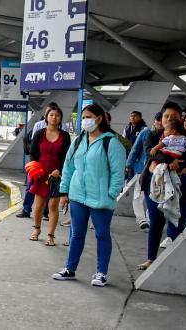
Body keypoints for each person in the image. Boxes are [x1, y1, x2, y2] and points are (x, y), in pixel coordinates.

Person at [52, 104, 126, 287]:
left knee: (102, 234)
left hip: (101, 198)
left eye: (88, 117)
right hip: (77, 196)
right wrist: (64, 191)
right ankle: (70, 269)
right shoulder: (78, 141)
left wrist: (111, 194)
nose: (84, 120)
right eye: (83, 117)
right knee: (76, 233)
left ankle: (101, 273)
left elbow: (118, 173)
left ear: (99, 119)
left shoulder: (112, 143)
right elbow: (68, 167)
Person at [137, 102, 186, 270]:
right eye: (166, 116)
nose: (170, 119)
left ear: (180, 119)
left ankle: (175, 261)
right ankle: (150, 259)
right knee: (156, 221)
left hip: (182, 186)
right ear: (161, 119)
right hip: (156, 185)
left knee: (177, 220)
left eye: (174, 117)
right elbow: (151, 152)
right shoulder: (153, 136)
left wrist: (176, 161)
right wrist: (173, 162)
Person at [28, 105, 71, 246]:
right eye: (51, 115)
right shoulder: (40, 133)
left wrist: (59, 169)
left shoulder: (64, 136)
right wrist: (35, 168)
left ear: (60, 119)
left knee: (53, 205)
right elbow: (33, 153)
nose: (54, 117)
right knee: (39, 205)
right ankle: (37, 229)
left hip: (56, 175)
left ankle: (50, 235)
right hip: (40, 173)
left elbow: (67, 156)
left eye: (57, 115)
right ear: (46, 117)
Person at [126, 112, 162, 230]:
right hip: (142, 169)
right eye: (158, 120)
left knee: (154, 196)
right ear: (154, 121)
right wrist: (129, 165)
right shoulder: (146, 132)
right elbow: (135, 149)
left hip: (159, 172)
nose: (160, 123)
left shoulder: (167, 135)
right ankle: (141, 219)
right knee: (138, 194)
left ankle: (149, 219)